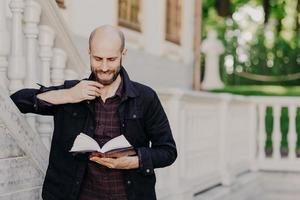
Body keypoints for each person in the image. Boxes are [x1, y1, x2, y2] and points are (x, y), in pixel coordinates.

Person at [11, 25, 177, 200]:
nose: (104, 68)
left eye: (111, 59)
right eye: (98, 59)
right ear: (89, 52)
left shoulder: (145, 97)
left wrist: (133, 161)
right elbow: (17, 101)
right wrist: (68, 95)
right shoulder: (72, 91)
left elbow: (168, 151)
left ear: (123, 54)